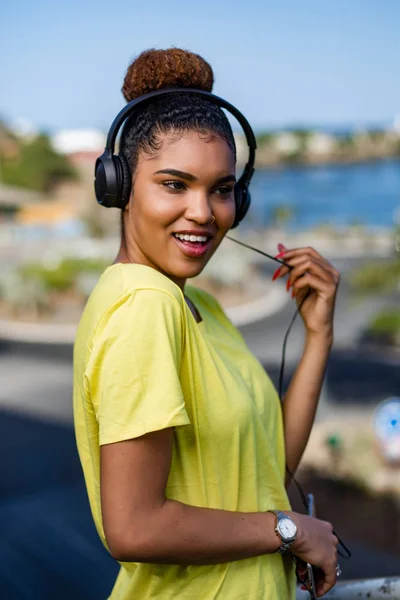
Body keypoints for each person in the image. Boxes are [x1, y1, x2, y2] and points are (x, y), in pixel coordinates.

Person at [73, 48, 340, 600]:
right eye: (175, 184)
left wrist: (318, 336)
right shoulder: (144, 305)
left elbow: (265, 468)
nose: (203, 211)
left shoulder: (201, 308)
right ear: (118, 186)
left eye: (220, 189)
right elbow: (134, 526)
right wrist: (288, 530)